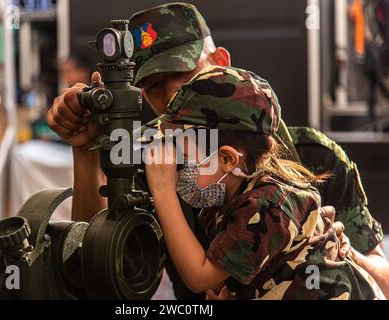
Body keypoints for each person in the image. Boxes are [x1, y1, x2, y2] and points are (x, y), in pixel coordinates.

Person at [46, 2, 388, 298]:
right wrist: (87, 150)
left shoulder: (314, 156)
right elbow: (95, 267)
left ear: (221, 60)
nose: (171, 97)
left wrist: (343, 257)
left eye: (183, 74)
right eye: (152, 88)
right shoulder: (149, 152)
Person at [143, 66, 385, 300]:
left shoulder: (267, 204)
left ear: (227, 159)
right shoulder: (242, 192)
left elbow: (198, 276)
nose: (177, 167)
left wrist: (163, 190)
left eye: (184, 158)